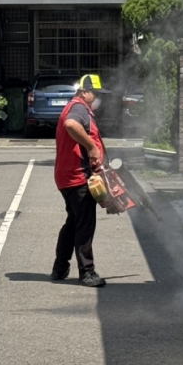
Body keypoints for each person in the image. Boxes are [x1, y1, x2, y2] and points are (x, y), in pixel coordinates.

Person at [51, 74, 110, 288]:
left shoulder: (76, 107)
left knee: (73, 222)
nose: (97, 99)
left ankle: (60, 267)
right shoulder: (79, 109)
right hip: (77, 176)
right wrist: (92, 147)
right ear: (84, 92)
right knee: (84, 224)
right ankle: (87, 272)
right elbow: (71, 124)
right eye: (95, 94)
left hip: (67, 176)